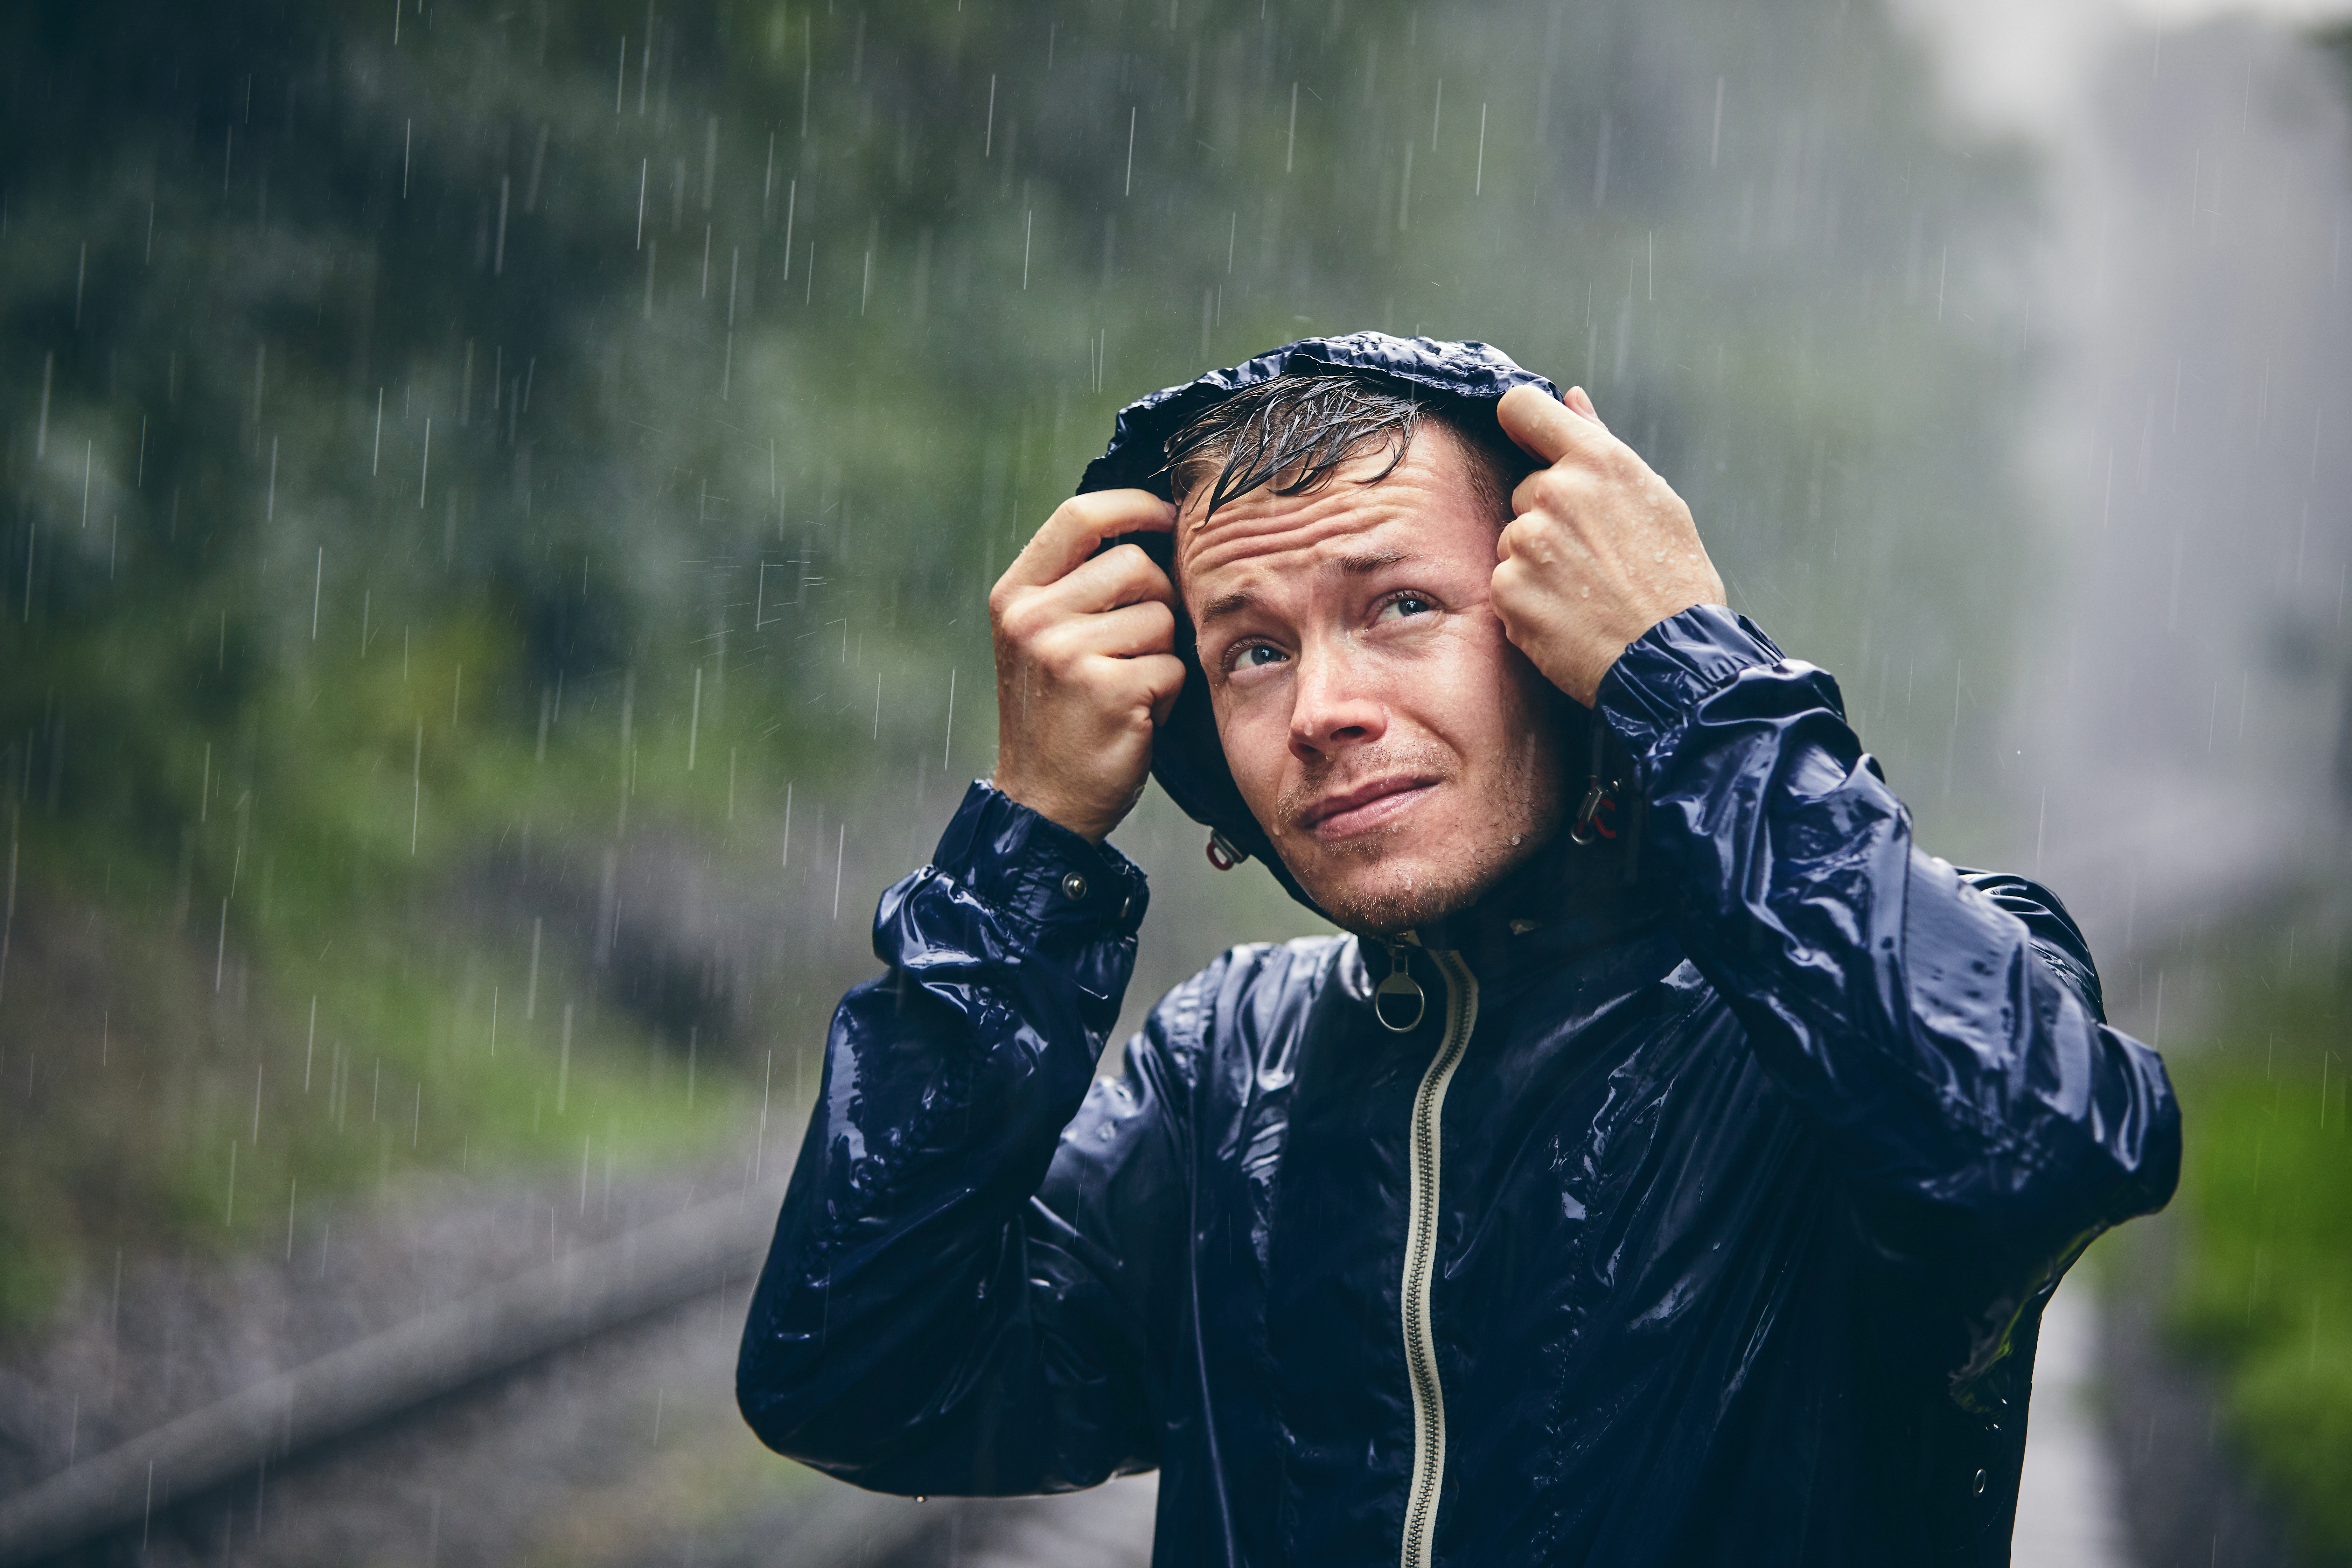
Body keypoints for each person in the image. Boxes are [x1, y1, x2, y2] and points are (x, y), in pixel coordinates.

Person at [736, 333, 2179, 1567]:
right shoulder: (1225, 1077)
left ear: (1571, 636)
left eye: (1403, 607)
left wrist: (1693, 674)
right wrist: (1030, 849)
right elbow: (856, 1374)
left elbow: (2033, 1143)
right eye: (1251, 650)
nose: (1323, 707)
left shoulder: (1835, 1021)